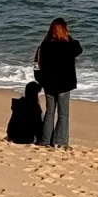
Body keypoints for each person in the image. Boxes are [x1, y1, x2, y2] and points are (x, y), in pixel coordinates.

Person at [34, 19, 82, 149]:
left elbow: (36, 65)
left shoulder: (44, 46)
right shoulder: (68, 45)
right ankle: (60, 141)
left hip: (49, 84)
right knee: (63, 114)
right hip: (64, 84)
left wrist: (40, 79)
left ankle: (45, 140)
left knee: (50, 112)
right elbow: (79, 48)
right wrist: (68, 37)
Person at [6, 80, 44, 145]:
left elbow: (11, 123)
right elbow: (38, 126)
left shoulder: (18, 103)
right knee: (43, 116)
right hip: (27, 138)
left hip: (13, 136)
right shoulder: (35, 107)